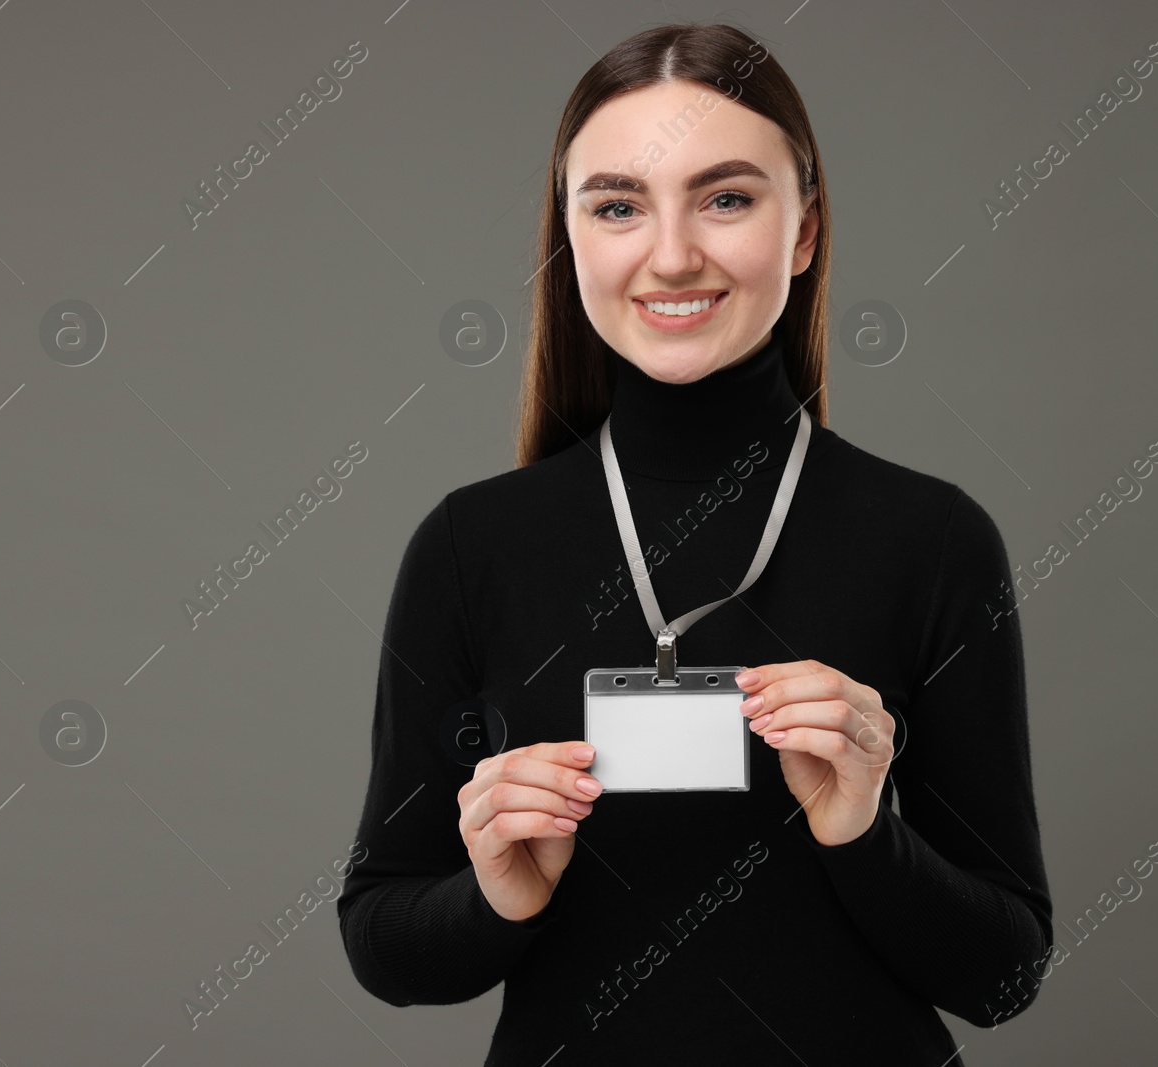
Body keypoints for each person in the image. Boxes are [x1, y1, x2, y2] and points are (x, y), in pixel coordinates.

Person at [336, 21, 1052, 1066]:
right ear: (570, 237)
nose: (671, 253)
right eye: (619, 206)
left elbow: (1006, 974)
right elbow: (383, 939)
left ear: (803, 230)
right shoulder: (468, 545)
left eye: (726, 198)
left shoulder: (934, 539)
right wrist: (497, 893)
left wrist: (862, 830)